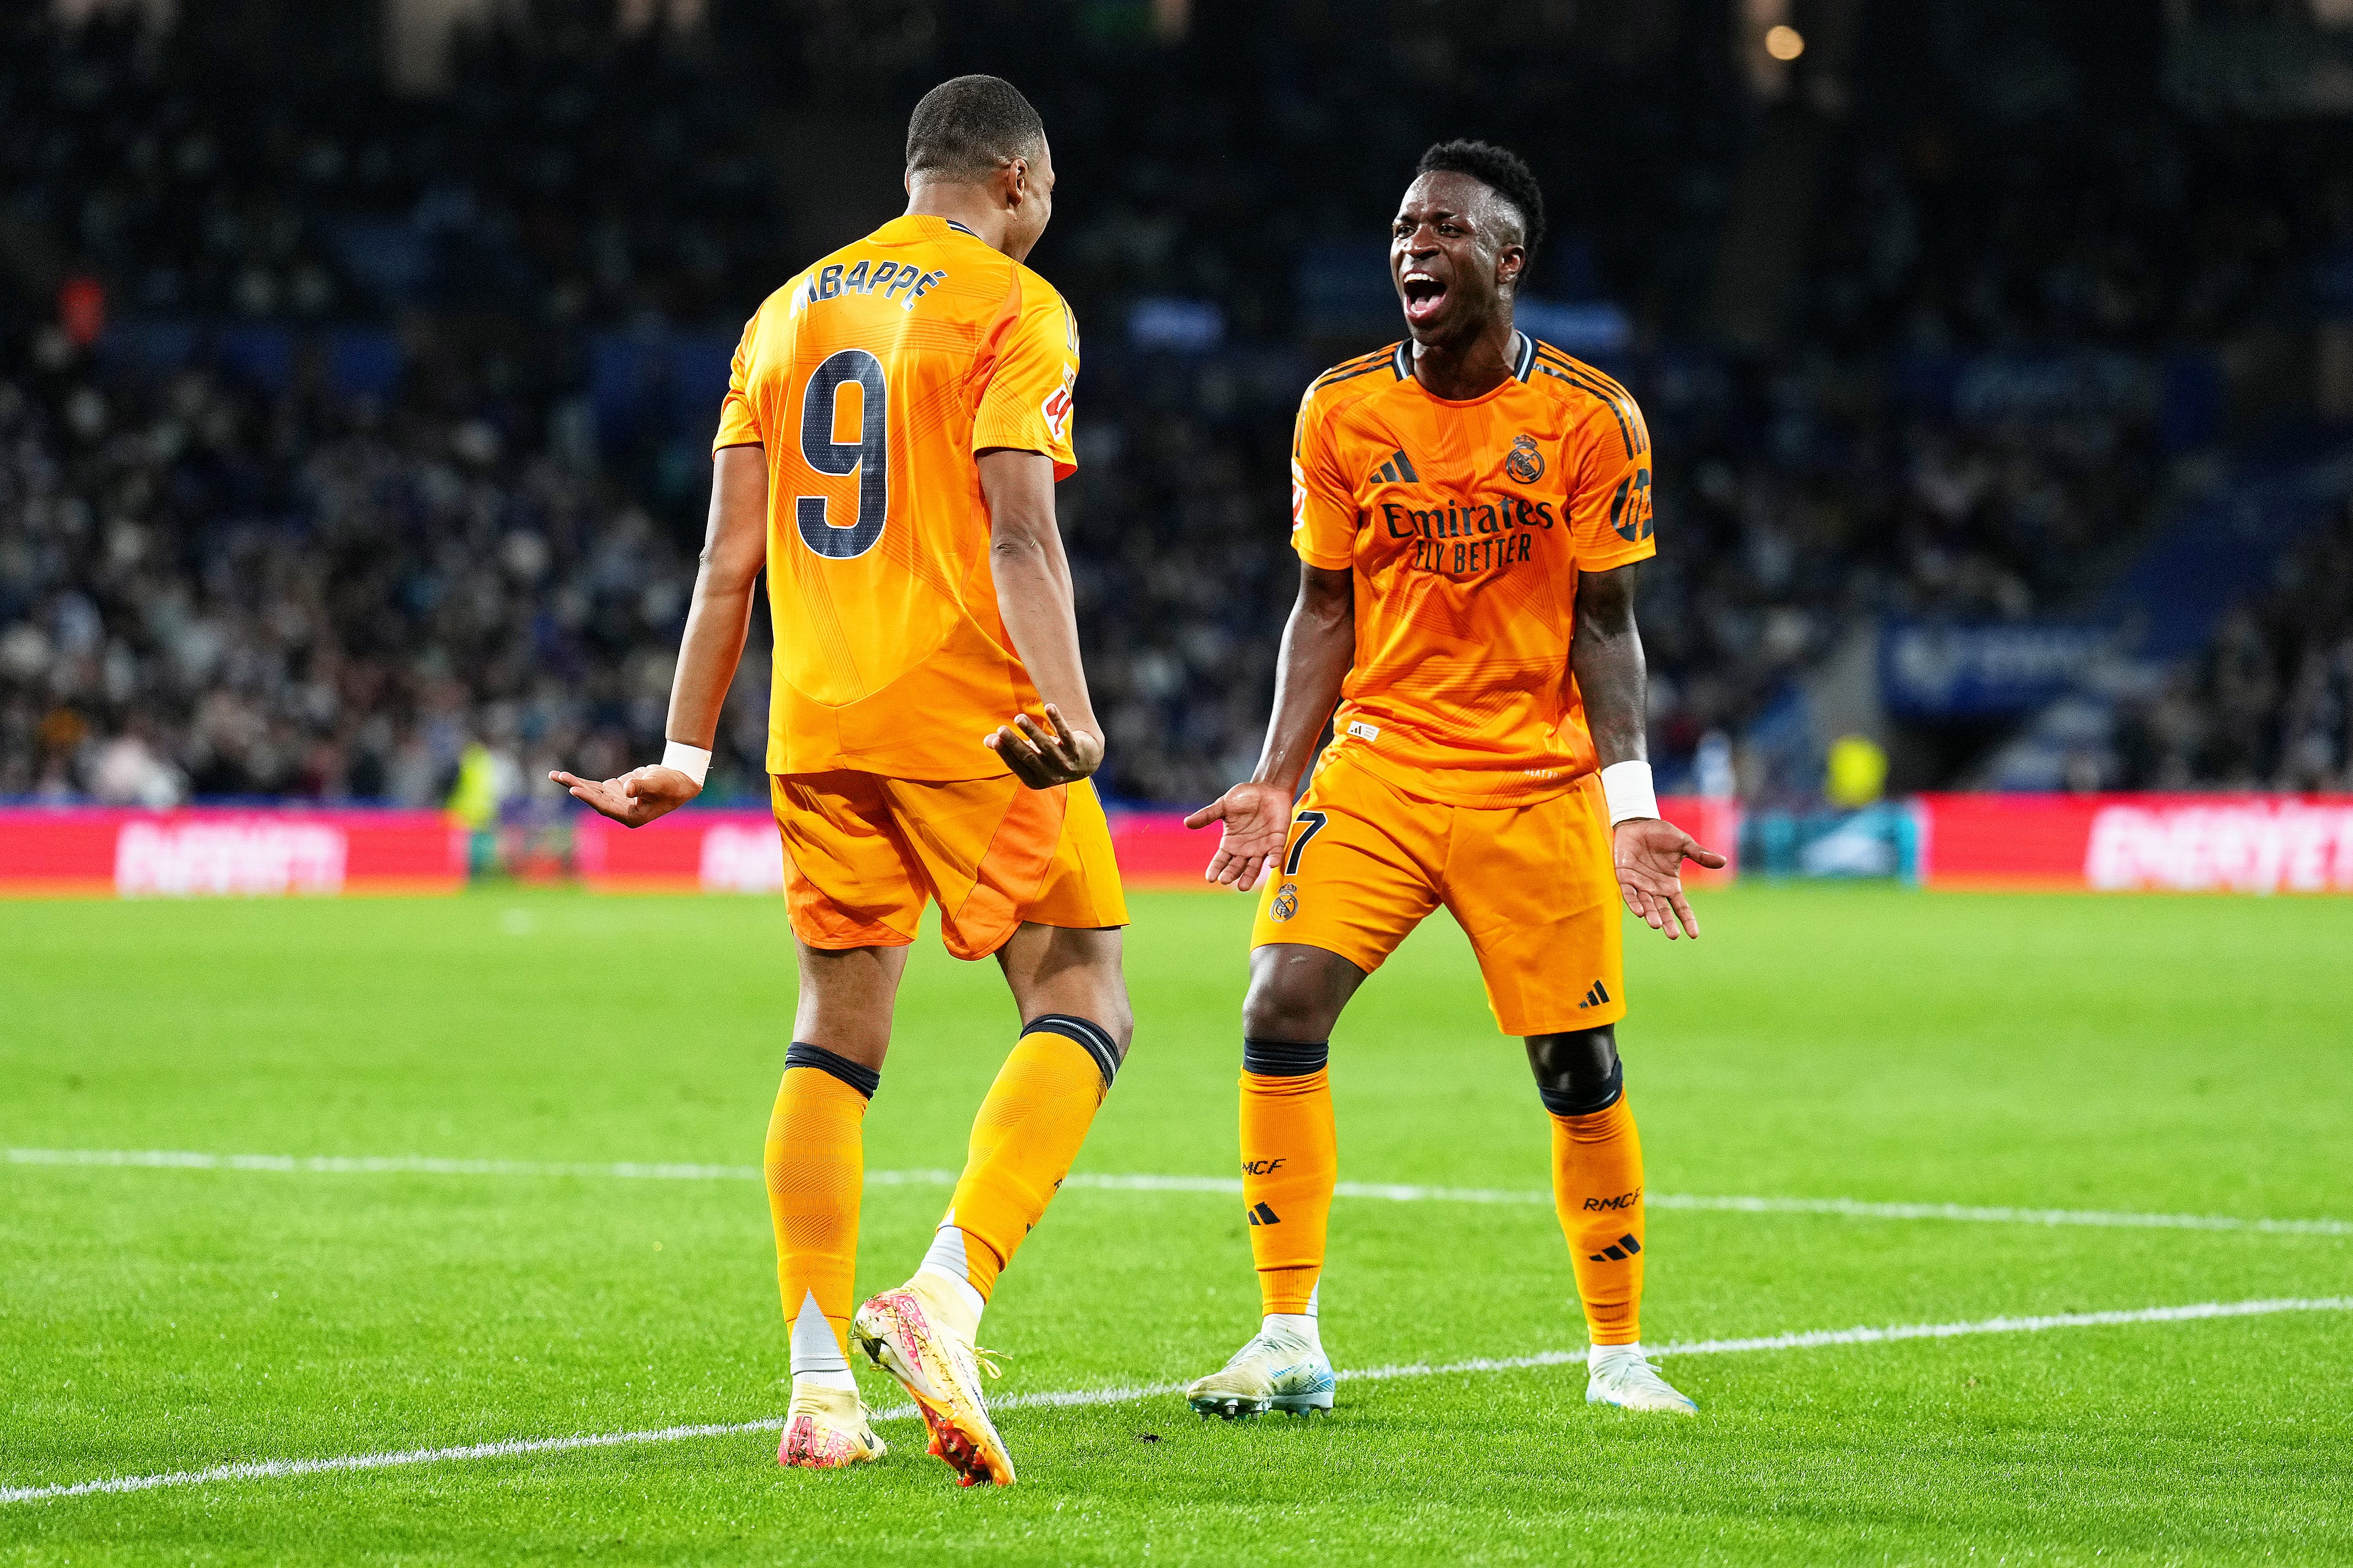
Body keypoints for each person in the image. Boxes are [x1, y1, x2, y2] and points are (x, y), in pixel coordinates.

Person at [554, 74, 1131, 1486]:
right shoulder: (1011, 303)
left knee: (833, 1036)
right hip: (971, 720)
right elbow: (1017, 536)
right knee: (1080, 993)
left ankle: (817, 1394)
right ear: (1012, 178)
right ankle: (944, 1294)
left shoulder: (784, 309)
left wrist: (687, 749)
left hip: (813, 728)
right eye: (1043, 196)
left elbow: (725, 558)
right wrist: (1072, 711)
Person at [1181, 140, 1724, 1421]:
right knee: (1277, 1005)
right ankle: (1286, 1335)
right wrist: (1274, 777)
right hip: (1377, 763)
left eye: (1443, 230)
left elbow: (1606, 624)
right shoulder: (1338, 409)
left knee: (1575, 1068)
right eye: (1401, 228)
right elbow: (1320, 606)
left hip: (1533, 782)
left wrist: (1628, 805)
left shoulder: (1592, 420)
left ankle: (1615, 1354)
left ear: (1506, 261)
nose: (1412, 248)